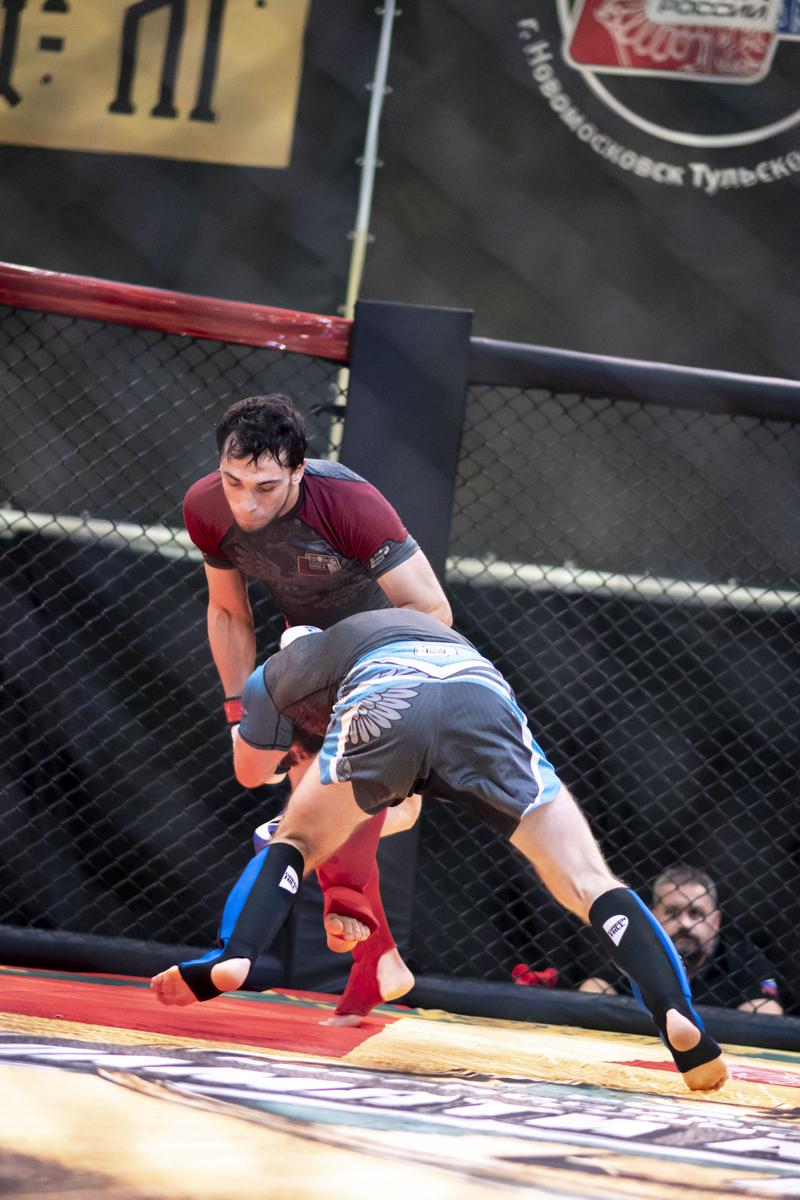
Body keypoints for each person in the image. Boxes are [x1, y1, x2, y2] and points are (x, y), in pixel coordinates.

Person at [152, 611, 728, 1093]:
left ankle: (235, 954)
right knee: (587, 879)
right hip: (480, 697)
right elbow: (403, 809)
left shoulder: (282, 674)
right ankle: (675, 1011)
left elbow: (251, 771)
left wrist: (274, 744)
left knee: (294, 842)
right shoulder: (400, 624)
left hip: (386, 699)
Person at [183, 394, 451, 1021]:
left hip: (388, 657)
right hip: (300, 658)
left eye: (266, 487)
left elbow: (433, 612)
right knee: (268, 779)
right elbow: (227, 612)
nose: (247, 503)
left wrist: (346, 663)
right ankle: (378, 956)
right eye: (234, 481)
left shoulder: (348, 504)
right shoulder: (206, 507)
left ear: (299, 472)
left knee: (369, 806)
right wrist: (236, 711)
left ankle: (322, 901)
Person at [578, 864, 783, 1015]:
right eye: (672, 912)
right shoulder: (633, 951)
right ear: (653, 918)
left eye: (695, 913)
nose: (684, 923)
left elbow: (767, 1012)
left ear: (715, 922)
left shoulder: (743, 957)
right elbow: (593, 988)